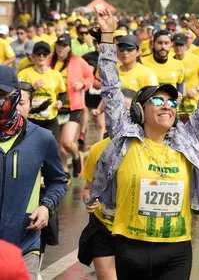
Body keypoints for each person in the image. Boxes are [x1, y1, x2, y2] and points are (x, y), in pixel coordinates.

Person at [87, 8, 199, 280]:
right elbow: (110, 87)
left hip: (176, 250)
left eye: (172, 102)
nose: (168, 106)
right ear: (140, 110)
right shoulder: (124, 136)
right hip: (131, 247)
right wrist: (107, 37)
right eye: (158, 100)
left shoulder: (186, 139)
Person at [0, 65, 67, 279]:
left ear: (16, 95)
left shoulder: (42, 138)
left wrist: (47, 206)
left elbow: (58, 180)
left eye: (3, 95)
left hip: (24, 242)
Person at [79, 89, 135, 280]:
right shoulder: (98, 149)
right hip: (103, 226)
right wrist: (89, 201)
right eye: (117, 110)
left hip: (136, 231)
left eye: (128, 110)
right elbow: (87, 189)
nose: (122, 115)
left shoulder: (148, 148)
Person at [49, 34, 94, 179]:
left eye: (64, 46)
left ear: (69, 48)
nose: (61, 48)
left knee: (67, 142)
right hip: (55, 107)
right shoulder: (50, 61)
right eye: (59, 45)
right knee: (56, 145)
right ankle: (64, 172)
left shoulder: (78, 61)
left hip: (73, 107)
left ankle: (76, 156)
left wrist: (83, 84)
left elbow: (90, 77)